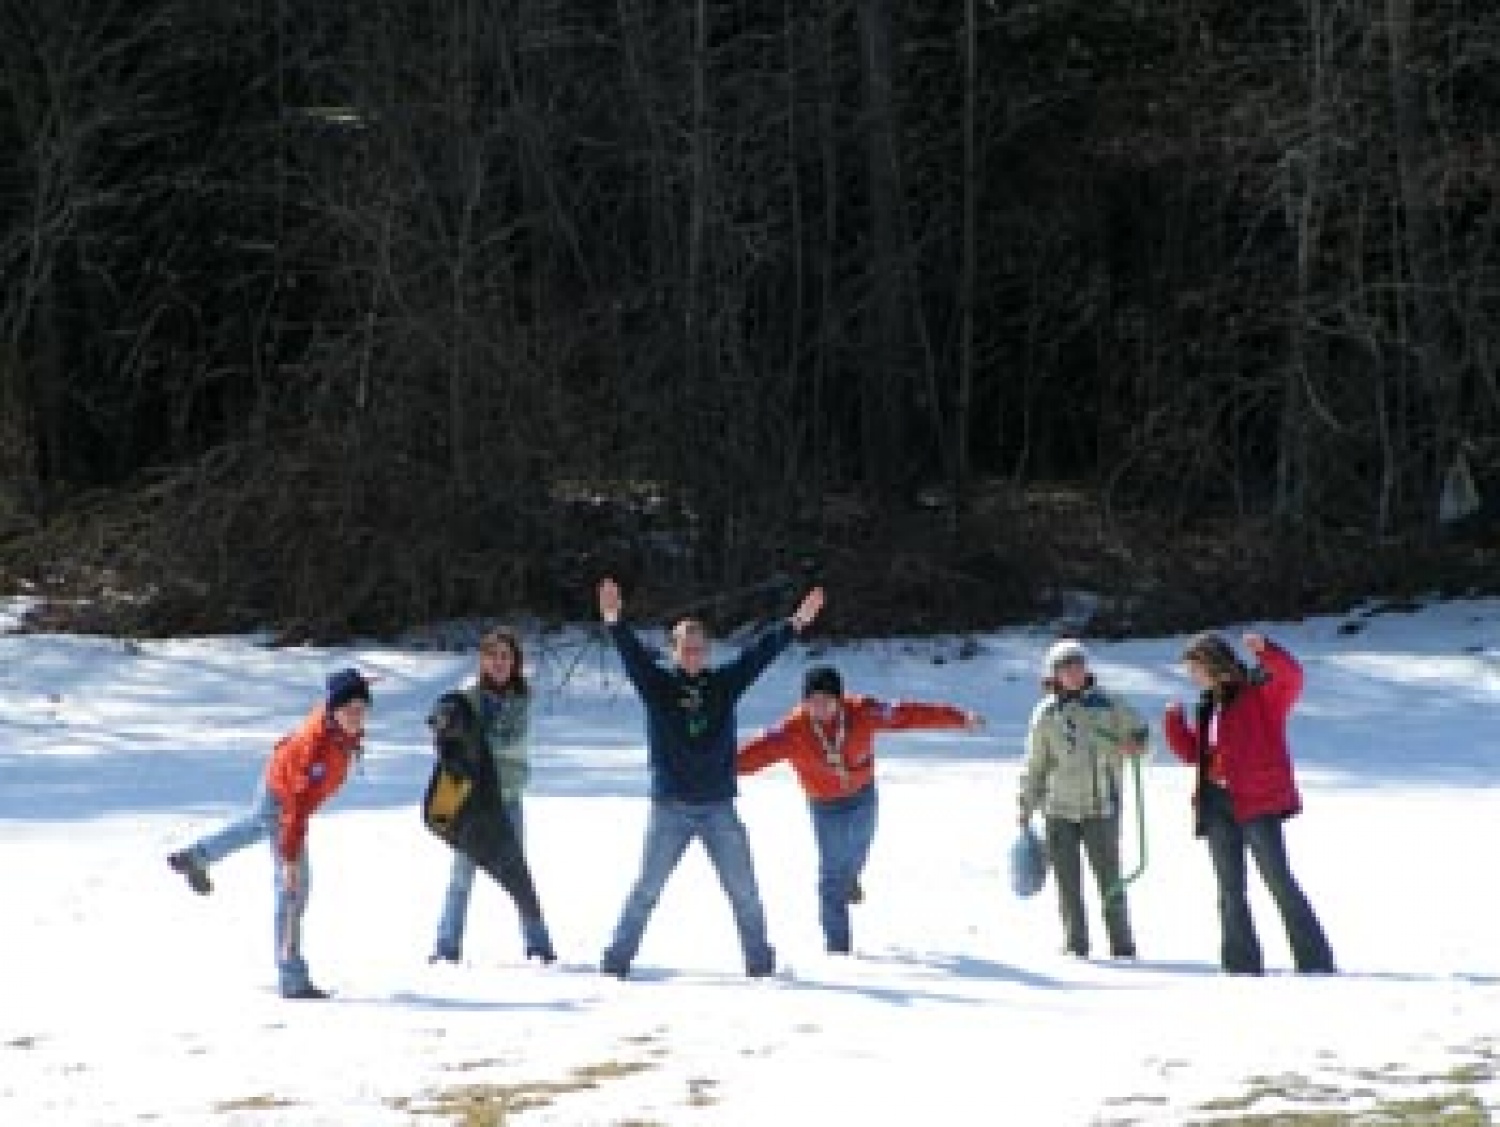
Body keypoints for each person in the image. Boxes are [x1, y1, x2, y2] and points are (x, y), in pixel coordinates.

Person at [596, 576, 825, 979]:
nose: (693, 655)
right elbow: (632, 656)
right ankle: (616, 962)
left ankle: (761, 965)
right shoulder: (659, 686)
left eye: (699, 649)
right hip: (671, 808)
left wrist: (795, 623)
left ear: (708, 651)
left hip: (719, 807)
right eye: (686, 648)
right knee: (646, 891)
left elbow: (758, 656)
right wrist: (614, 619)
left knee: (745, 893)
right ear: (674, 651)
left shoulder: (723, 684)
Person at [737, 664, 983, 954]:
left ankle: (851, 877)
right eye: (812, 701)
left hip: (863, 796)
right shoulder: (792, 729)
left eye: (826, 700)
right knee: (831, 873)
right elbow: (752, 755)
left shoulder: (863, 710)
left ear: (840, 700)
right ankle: (838, 948)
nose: (819, 708)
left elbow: (908, 713)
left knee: (858, 852)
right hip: (825, 806)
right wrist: (705, 771)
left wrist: (959, 719)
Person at [166, 667, 371, 999]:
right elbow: (296, 809)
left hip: (277, 776)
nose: (357, 718)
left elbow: (343, 693)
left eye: (362, 709)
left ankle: (197, 857)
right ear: (334, 711)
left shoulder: (335, 723)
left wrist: (358, 685)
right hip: (286, 796)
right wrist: (289, 861)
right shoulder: (316, 750)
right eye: (350, 711)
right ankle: (291, 977)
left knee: (254, 825)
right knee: (293, 889)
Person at [1163, 631, 1335, 975]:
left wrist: (1267, 651)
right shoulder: (1208, 705)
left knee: (1278, 880)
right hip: (1216, 803)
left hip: (1257, 802)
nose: (1191, 677)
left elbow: (1292, 678)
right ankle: (1240, 965)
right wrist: (1173, 724)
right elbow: (1192, 753)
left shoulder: (1259, 695)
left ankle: (1314, 960)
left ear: (1213, 664)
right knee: (1230, 888)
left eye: (1194, 668)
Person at [427, 627, 554, 965]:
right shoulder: (466, 697)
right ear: (482, 660)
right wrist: (446, 720)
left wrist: (470, 738)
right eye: (493, 656)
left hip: (507, 800)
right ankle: (445, 948)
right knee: (461, 877)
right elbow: (447, 735)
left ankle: (538, 946)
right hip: (470, 805)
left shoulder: (521, 700)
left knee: (517, 876)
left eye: (506, 657)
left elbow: (506, 744)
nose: (499, 663)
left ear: (515, 662)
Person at [1017, 640, 1148, 960]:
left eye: (1078, 666)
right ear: (1055, 674)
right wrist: (1025, 803)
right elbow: (1036, 764)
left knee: (1110, 881)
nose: (1073, 674)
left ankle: (1122, 945)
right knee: (1067, 883)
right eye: (1066, 668)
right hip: (1058, 810)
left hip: (1101, 806)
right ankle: (1076, 945)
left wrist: (1136, 744)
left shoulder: (1109, 703)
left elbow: (1142, 733)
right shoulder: (1046, 713)